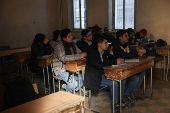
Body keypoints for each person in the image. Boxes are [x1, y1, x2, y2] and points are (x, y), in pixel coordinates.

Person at [84, 35, 127, 111]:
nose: (108, 45)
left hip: (103, 75)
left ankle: (120, 100)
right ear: (99, 44)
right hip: (94, 78)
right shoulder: (92, 52)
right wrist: (115, 62)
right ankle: (116, 103)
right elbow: (99, 65)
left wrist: (117, 59)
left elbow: (111, 58)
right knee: (114, 83)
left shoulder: (104, 52)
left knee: (122, 79)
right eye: (106, 43)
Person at [113, 30, 146, 102]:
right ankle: (125, 95)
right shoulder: (116, 46)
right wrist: (137, 52)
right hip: (120, 69)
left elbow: (131, 51)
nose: (128, 37)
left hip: (128, 65)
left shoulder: (126, 44)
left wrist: (139, 52)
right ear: (120, 38)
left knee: (142, 70)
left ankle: (135, 92)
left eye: (128, 35)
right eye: (126, 36)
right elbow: (126, 55)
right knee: (135, 78)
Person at [53, 29, 87, 93]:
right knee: (74, 84)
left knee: (81, 82)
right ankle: (68, 94)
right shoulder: (59, 46)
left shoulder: (72, 44)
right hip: (61, 69)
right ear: (64, 39)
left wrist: (83, 54)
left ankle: (66, 87)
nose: (72, 37)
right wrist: (79, 56)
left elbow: (79, 52)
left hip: (71, 67)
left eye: (71, 36)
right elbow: (63, 58)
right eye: (69, 36)